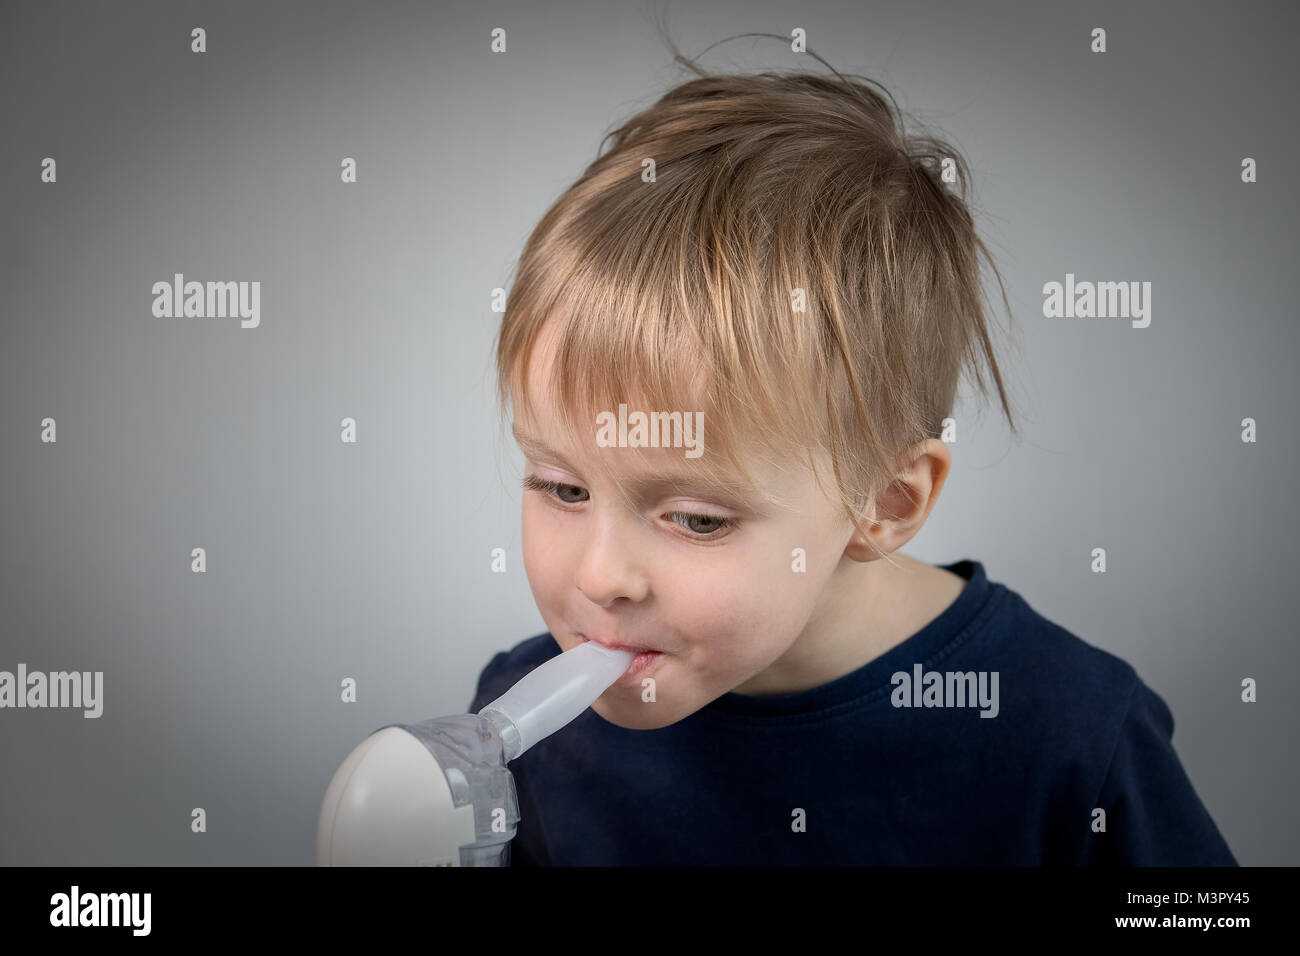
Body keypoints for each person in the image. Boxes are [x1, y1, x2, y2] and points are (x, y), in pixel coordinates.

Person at [470, 51, 1236, 866]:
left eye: (696, 517)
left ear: (886, 502)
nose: (599, 578)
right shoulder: (520, 732)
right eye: (561, 485)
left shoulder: (1069, 733)